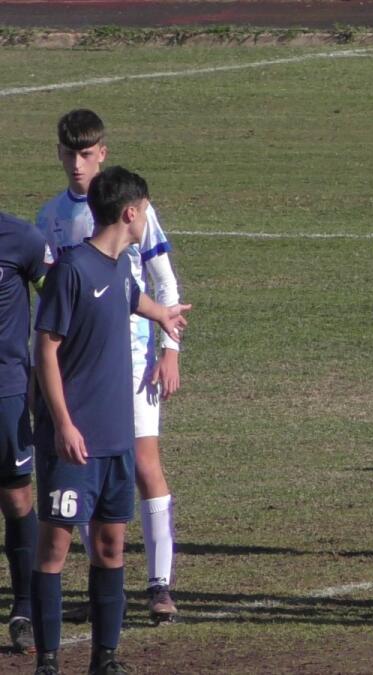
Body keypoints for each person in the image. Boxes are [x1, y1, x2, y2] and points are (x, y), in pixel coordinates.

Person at [31, 166, 190, 675]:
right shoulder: (72, 271)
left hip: (118, 436)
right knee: (56, 544)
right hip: (76, 439)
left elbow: (128, 296)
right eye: (144, 209)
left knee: (110, 544)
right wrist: (62, 423)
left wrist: (161, 315)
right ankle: (49, 661)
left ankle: (106, 657)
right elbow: (45, 349)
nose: (146, 217)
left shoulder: (123, 267)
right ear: (129, 212)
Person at [0, 212, 50, 654]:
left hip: (7, 391)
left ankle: (23, 609)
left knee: (17, 496)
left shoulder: (22, 239)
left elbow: (54, 298)